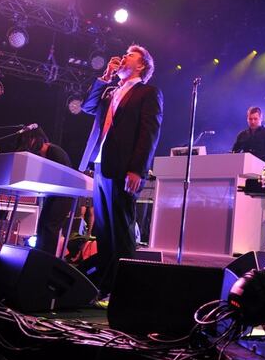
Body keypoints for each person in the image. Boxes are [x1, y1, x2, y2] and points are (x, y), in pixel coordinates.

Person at [79, 45, 163, 295]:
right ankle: (105, 286)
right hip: (101, 164)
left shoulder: (147, 92)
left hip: (125, 167)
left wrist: (137, 169)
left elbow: (149, 133)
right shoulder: (109, 91)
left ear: (141, 66)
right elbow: (87, 107)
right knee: (103, 229)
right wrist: (103, 79)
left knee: (122, 229)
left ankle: (127, 290)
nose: (123, 57)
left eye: (130, 56)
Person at [16, 126, 75, 257]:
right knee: (43, 226)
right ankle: (39, 257)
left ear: (36, 139)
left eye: (29, 141)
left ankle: (46, 260)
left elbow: (62, 177)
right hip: (54, 195)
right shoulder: (45, 153)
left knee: (50, 227)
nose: (29, 145)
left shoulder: (54, 151)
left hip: (63, 196)